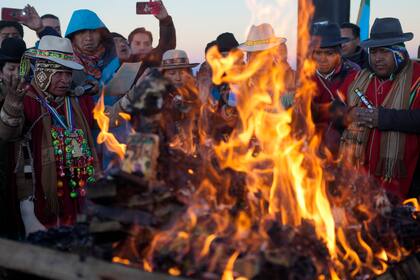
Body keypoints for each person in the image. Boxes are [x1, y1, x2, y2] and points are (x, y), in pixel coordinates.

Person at [0, 36, 99, 235]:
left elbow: (105, 119)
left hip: (75, 191)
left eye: (68, 73)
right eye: (58, 73)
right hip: (41, 199)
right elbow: (7, 133)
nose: (65, 80)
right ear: (42, 72)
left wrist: (130, 99)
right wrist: (12, 103)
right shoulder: (25, 99)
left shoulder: (77, 100)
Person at [340, 18, 420, 199]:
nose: (377, 58)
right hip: (358, 182)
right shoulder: (359, 78)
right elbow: (335, 106)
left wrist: (384, 118)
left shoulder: (417, 77)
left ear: (399, 51)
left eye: (384, 51)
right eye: (374, 51)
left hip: (402, 186)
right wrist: (348, 114)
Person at [310, 22, 360, 156]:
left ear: (339, 52)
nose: (322, 59)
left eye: (329, 53)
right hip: (311, 148)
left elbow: (354, 115)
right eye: (318, 53)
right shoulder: (305, 76)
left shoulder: (354, 74)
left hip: (346, 149)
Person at [0, 37, 27, 238]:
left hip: (22, 176)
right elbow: (6, 134)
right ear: (0, 71)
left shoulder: (33, 94)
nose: (17, 74)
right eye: (11, 68)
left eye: (21, 67)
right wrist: (12, 103)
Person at [128, 1, 176, 74]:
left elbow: (167, 44)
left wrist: (165, 20)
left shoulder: (155, 62)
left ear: (151, 46)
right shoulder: (117, 65)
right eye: (137, 43)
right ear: (129, 45)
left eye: (147, 44)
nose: (142, 47)